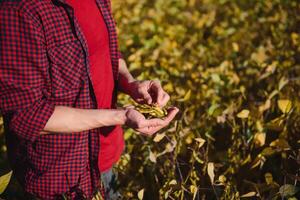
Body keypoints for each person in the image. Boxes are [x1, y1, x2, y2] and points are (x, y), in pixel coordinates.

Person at [0, 0, 179, 199]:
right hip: (61, 177)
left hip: (105, 157)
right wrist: (122, 116)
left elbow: (106, 52)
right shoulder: (18, 10)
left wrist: (130, 82)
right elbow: (27, 116)